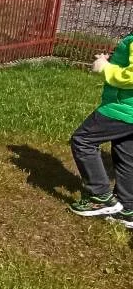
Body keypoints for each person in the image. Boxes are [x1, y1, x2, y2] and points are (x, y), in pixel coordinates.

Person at [67, 34, 133, 228]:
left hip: (123, 108)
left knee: (83, 140)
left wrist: (105, 68)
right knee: (126, 156)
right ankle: (127, 209)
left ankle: (99, 195)